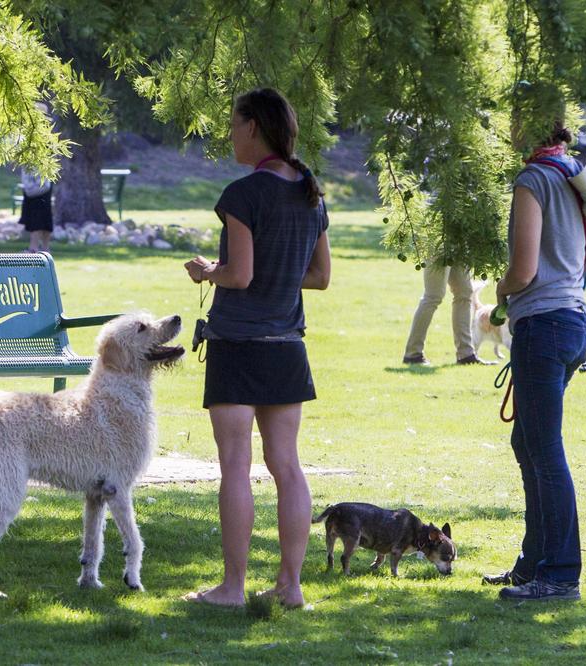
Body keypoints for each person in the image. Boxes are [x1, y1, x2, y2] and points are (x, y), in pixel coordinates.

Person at [182, 88, 331, 608]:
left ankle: (233, 588)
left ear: (253, 127)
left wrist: (207, 272)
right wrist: (279, 272)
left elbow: (239, 276)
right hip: (287, 346)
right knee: (286, 466)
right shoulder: (311, 192)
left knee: (235, 469)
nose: (229, 134)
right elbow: (319, 277)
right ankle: (290, 586)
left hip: (240, 344)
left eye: (232, 124)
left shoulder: (243, 195)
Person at [485, 114, 586, 601]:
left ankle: (559, 574)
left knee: (545, 451)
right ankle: (533, 564)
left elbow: (522, 268)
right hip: (575, 323)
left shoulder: (533, 177)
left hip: (544, 325)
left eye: (516, 120)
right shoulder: (572, 175)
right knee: (529, 443)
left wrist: (501, 293)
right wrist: (570, 283)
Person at [402, 263, 490, 365]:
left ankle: (466, 354)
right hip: (439, 248)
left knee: (464, 291)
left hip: (459, 247)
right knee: (433, 295)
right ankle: (413, 354)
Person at [19, 168, 53, 253]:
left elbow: (46, 185)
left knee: (41, 222)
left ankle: (38, 249)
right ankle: (36, 248)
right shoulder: (26, 163)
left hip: (42, 195)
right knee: (35, 222)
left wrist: (32, 189)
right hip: (32, 196)